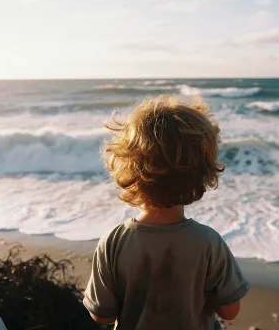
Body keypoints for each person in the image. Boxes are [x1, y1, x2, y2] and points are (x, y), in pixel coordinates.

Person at [83, 95, 250, 330]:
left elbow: (102, 316)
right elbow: (230, 311)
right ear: (202, 173)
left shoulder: (113, 242)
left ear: (128, 167)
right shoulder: (208, 242)